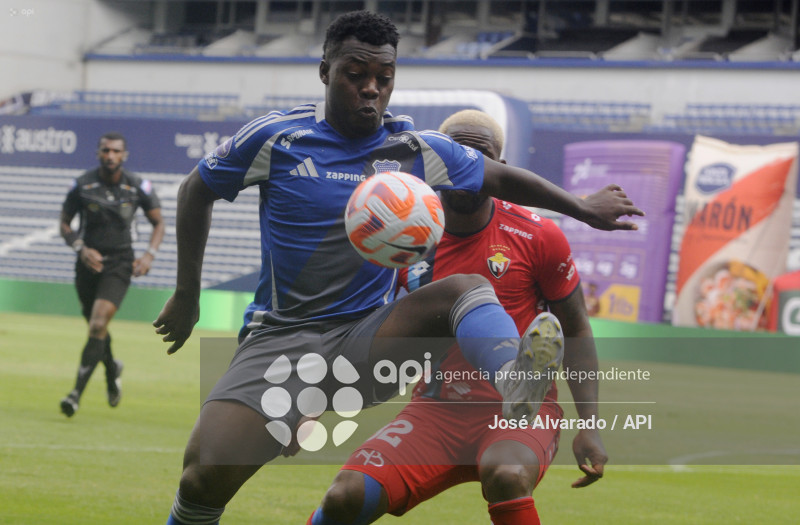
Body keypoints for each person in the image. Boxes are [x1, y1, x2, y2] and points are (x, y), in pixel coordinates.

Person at [153, 11, 640, 525]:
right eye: (355, 75)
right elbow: (195, 189)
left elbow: (501, 177)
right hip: (283, 340)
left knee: (465, 289)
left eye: (383, 79)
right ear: (325, 70)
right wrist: (188, 295)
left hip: (369, 337)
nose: (371, 90)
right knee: (202, 479)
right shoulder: (278, 139)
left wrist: (582, 207)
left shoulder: (414, 150)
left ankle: (516, 383)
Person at [307, 110, 607, 525]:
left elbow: (574, 328)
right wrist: (313, 399)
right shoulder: (397, 236)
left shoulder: (538, 236)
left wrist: (589, 425)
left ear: (497, 168)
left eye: (478, 155)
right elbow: (365, 328)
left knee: (506, 474)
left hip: (517, 412)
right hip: (435, 410)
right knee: (345, 496)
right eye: (455, 152)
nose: (465, 163)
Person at [59, 132, 164, 417]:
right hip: (87, 263)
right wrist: (80, 248)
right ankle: (111, 370)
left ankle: (75, 394)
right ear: (98, 153)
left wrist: (149, 255)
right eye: (105, 150)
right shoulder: (81, 184)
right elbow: (65, 224)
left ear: (124, 155)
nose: (110, 155)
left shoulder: (137, 186)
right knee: (97, 329)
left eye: (116, 151)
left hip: (119, 263)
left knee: (96, 325)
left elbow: (158, 223)